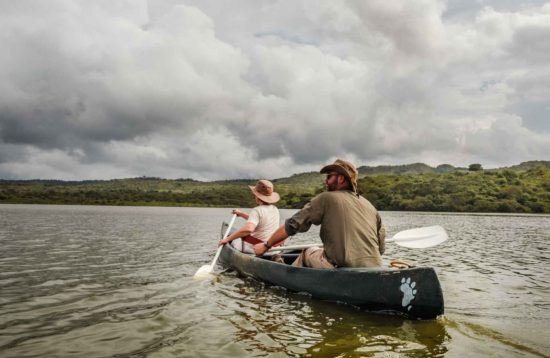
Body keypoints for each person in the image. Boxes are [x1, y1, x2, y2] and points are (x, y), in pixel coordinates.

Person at [254, 159, 385, 268]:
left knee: (307, 252)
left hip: (342, 267)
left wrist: (266, 246)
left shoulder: (326, 198)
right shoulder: (371, 207)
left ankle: (285, 278)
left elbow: (292, 225)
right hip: (375, 266)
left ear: (340, 179)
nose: (326, 181)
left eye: (329, 176)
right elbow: (381, 249)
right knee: (320, 250)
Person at [219, 179, 281, 254]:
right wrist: (241, 214)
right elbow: (259, 220)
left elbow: (248, 229)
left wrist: (227, 239)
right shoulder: (275, 209)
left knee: (234, 239)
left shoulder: (257, 210)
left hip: (257, 248)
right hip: (273, 248)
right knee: (235, 237)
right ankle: (275, 256)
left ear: (257, 197)